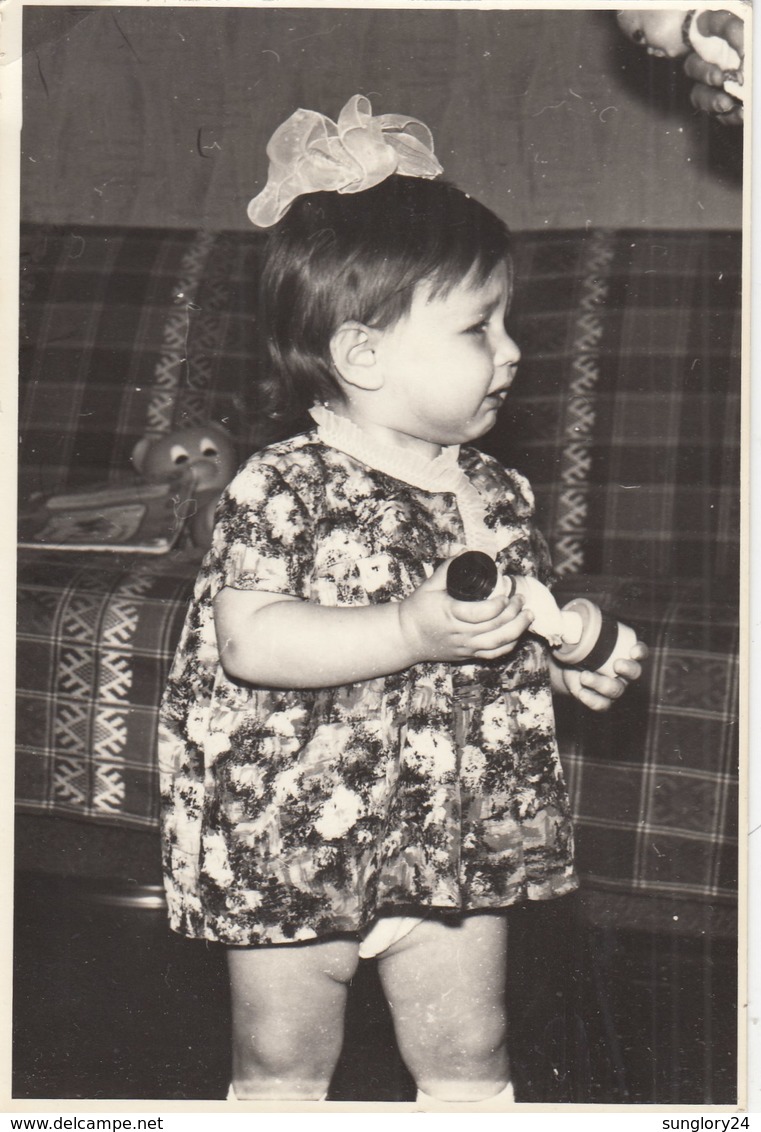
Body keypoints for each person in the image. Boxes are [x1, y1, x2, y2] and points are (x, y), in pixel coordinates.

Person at [159, 94, 647, 1107]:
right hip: (293, 833)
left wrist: (568, 656)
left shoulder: (497, 492)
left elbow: (506, 623)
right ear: (362, 354)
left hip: (459, 836)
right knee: (284, 1062)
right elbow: (249, 641)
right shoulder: (280, 486)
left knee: (470, 1048)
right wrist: (405, 628)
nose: (509, 350)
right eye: (479, 325)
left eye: (506, 321)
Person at [616, 7, 744, 125]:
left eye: (639, 35)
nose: (649, 51)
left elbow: (732, 26)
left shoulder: (701, 21)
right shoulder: (698, 40)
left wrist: (747, 53)